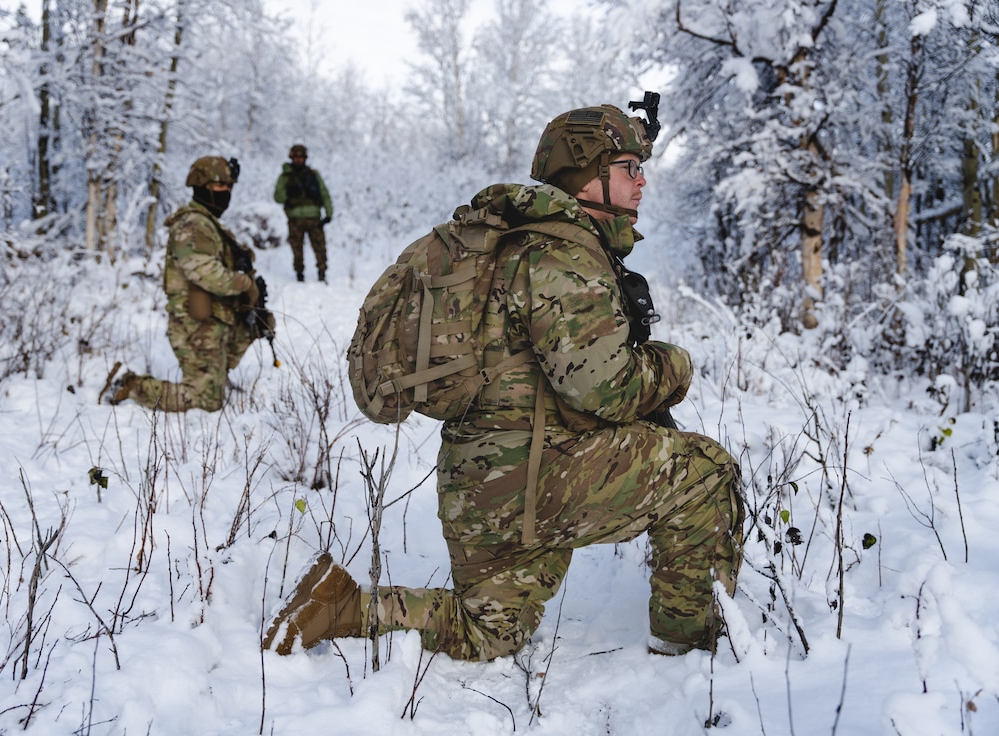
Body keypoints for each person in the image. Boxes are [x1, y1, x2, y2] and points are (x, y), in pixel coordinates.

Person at [263, 105, 744, 660]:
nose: (642, 182)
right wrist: (672, 366)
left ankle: (339, 608)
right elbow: (604, 388)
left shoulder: (508, 241)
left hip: (478, 487)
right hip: (539, 481)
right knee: (704, 473)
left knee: (486, 633)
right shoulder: (561, 253)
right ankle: (692, 647)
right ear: (588, 173)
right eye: (629, 167)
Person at [102, 155, 272, 412]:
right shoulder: (192, 224)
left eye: (228, 186)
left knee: (259, 322)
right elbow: (206, 272)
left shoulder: (210, 225)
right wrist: (245, 283)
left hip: (214, 320)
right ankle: (129, 384)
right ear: (201, 186)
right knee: (206, 402)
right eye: (219, 186)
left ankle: (214, 374)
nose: (225, 192)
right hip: (195, 324)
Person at [273, 144, 333, 282]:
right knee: (297, 249)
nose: (298, 160)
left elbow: (324, 193)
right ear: (292, 158)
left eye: (301, 157)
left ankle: (322, 272)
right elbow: (278, 197)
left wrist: (329, 213)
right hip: (295, 219)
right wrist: (289, 192)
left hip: (314, 218)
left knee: (320, 248)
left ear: (305, 158)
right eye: (296, 157)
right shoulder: (285, 177)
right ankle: (299, 274)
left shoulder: (313, 175)